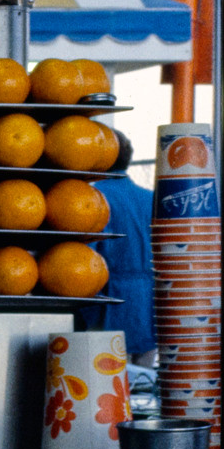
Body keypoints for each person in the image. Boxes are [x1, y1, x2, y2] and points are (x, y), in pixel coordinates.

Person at [78, 129, 156, 367]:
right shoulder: (151, 199)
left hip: (109, 302)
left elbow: (85, 258)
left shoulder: (95, 198)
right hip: (148, 305)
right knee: (144, 388)